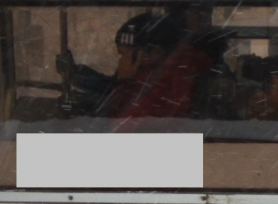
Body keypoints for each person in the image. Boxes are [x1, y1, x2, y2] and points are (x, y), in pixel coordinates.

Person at [57, 11, 208, 123]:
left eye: (124, 55)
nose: (121, 61)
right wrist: (76, 75)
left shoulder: (165, 82)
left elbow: (123, 124)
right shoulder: (158, 71)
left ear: (151, 53)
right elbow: (111, 87)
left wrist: (124, 82)